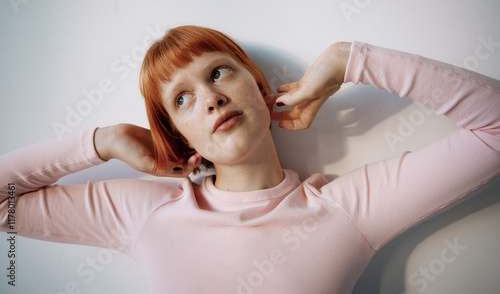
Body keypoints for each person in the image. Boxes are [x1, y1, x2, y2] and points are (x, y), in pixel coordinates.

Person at [1, 25, 499, 294]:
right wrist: (103, 140)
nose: (211, 98)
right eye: (182, 99)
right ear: (177, 134)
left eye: (218, 73)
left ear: (260, 90)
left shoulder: (348, 209)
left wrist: (350, 59)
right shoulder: (145, 216)